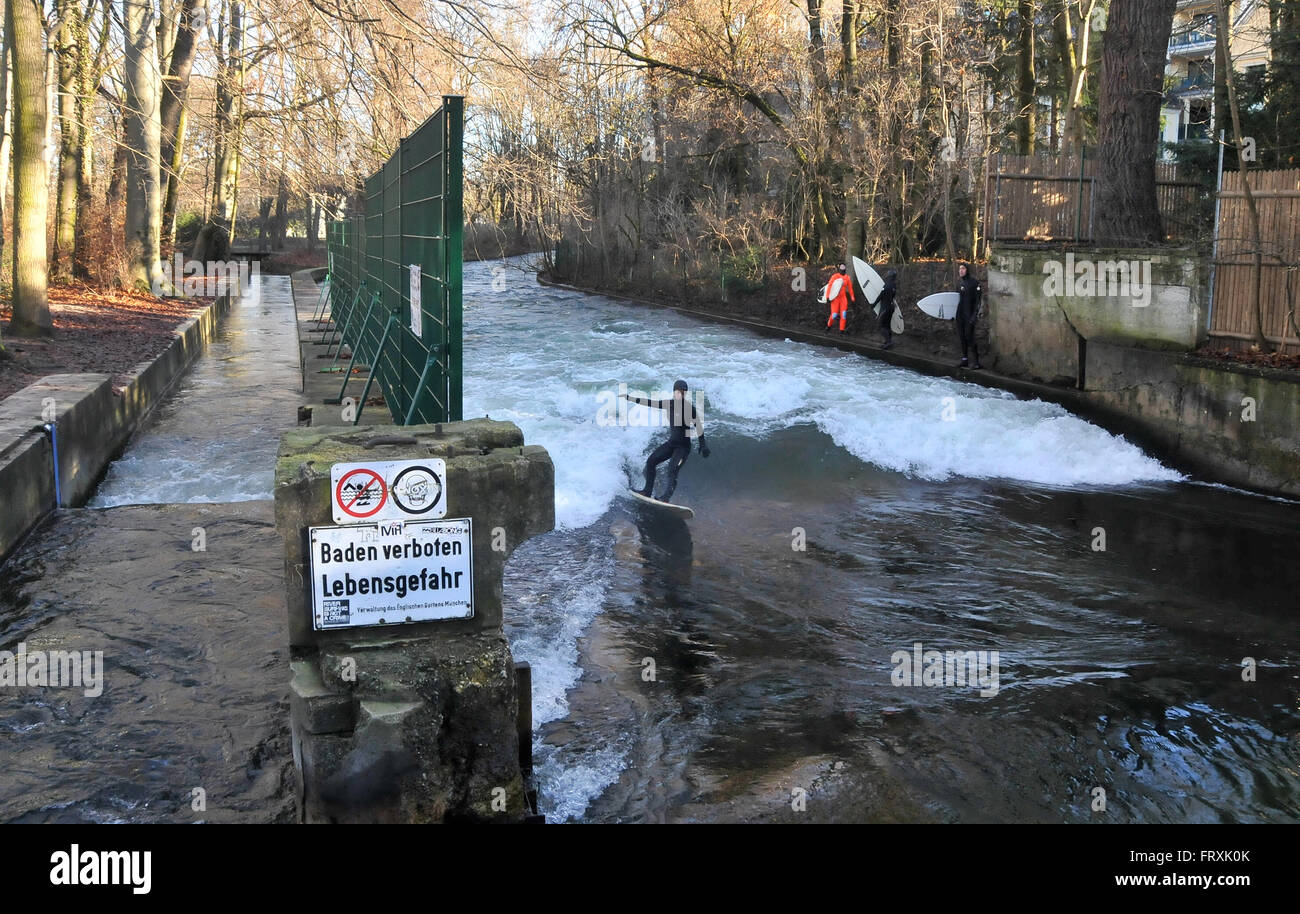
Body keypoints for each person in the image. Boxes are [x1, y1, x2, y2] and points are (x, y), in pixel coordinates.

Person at [621, 379, 710, 503]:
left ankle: (666, 498)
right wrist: (630, 398)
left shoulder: (690, 408)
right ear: (674, 392)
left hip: (683, 448)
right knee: (651, 461)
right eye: (679, 391)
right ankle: (647, 491)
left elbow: (698, 426)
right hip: (671, 444)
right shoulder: (669, 404)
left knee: (672, 470)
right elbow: (650, 403)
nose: (681, 394)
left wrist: (703, 445)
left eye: (684, 392)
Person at [956, 262, 983, 369]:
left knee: (969, 337)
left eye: (963, 268)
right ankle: (965, 359)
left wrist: (974, 316)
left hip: (970, 315)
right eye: (959, 269)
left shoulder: (974, 283)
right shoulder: (959, 284)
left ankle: (976, 362)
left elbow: (978, 300)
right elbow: (956, 300)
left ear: (967, 270)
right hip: (960, 314)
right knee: (962, 337)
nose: (961, 271)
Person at [822, 263, 855, 334]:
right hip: (835, 299)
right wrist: (827, 297)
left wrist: (852, 297)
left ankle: (841, 331)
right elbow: (830, 286)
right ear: (839, 268)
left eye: (844, 266)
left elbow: (850, 289)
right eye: (841, 266)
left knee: (843, 315)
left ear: (845, 268)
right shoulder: (835, 276)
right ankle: (828, 326)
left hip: (843, 299)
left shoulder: (847, 278)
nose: (842, 268)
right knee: (834, 315)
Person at [876, 269, 898, 350]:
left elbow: (881, 296)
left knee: (881, 325)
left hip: (885, 308)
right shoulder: (894, 285)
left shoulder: (886, 286)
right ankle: (887, 341)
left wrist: (873, 304)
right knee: (887, 325)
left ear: (890, 276)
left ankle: (889, 342)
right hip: (891, 308)